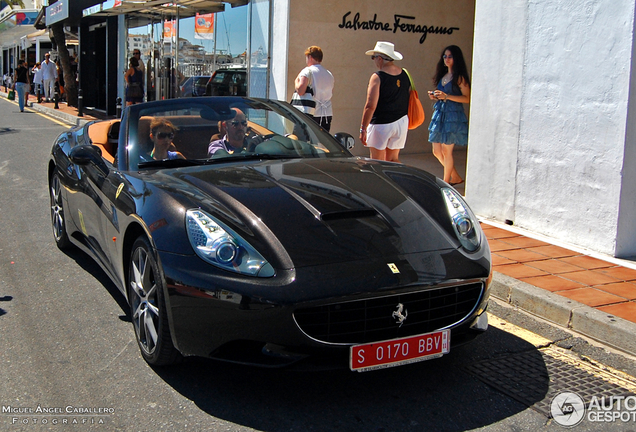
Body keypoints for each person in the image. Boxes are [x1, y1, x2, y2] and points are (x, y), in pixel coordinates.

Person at [359, 41, 410, 162]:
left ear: (380, 58)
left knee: (377, 161)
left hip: (381, 123)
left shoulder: (377, 76)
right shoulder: (405, 74)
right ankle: (397, 181)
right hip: (401, 122)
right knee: (393, 159)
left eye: (374, 57)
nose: (374, 61)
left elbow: (370, 105)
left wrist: (363, 128)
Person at [427, 45, 471, 186]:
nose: (446, 59)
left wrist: (447, 96)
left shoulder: (459, 78)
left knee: (447, 150)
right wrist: (436, 96)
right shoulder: (444, 76)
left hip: (453, 115)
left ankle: (445, 182)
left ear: (456, 58)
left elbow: (467, 98)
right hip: (441, 113)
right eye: (445, 56)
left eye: (450, 56)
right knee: (436, 150)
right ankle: (455, 176)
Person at [294, 46, 335, 131]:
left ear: (310, 57)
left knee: (303, 141)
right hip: (326, 113)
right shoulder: (329, 74)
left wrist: (296, 81)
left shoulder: (307, 71)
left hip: (310, 112)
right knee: (322, 142)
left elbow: (301, 91)